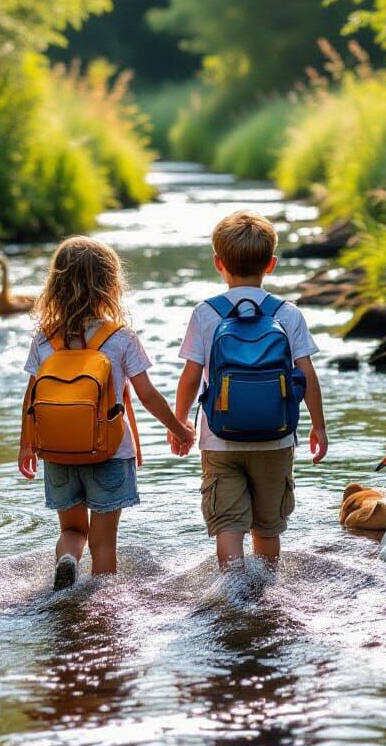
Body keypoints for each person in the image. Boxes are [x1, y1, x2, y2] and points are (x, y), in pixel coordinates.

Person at [19, 236, 195, 590]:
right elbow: (146, 395)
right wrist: (179, 428)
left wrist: (26, 446)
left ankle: (67, 559)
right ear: (110, 284)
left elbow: (32, 398)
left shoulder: (44, 340)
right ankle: (102, 606)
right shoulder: (120, 338)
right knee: (103, 542)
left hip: (58, 453)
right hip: (109, 452)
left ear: (55, 285)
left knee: (71, 530)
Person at [172, 210, 328, 570]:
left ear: (218, 263)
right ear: (270, 264)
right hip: (275, 439)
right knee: (268, 527)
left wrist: (180, 422)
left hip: (220, 440)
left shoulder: (205, 314)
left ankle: (234, 594)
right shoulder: (287, 314)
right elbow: (307, 374)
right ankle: (264, 596)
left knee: (228, 525)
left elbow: (191, 375)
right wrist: (318, 425)